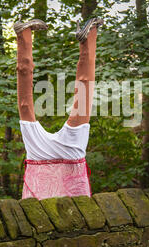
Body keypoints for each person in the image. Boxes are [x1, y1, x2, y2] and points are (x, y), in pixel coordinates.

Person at [14, 17, 103, 200]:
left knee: (82, 100)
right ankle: (87, 35)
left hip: (45, 153)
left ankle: (24, 33)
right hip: (63, 153)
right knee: (83, 98)